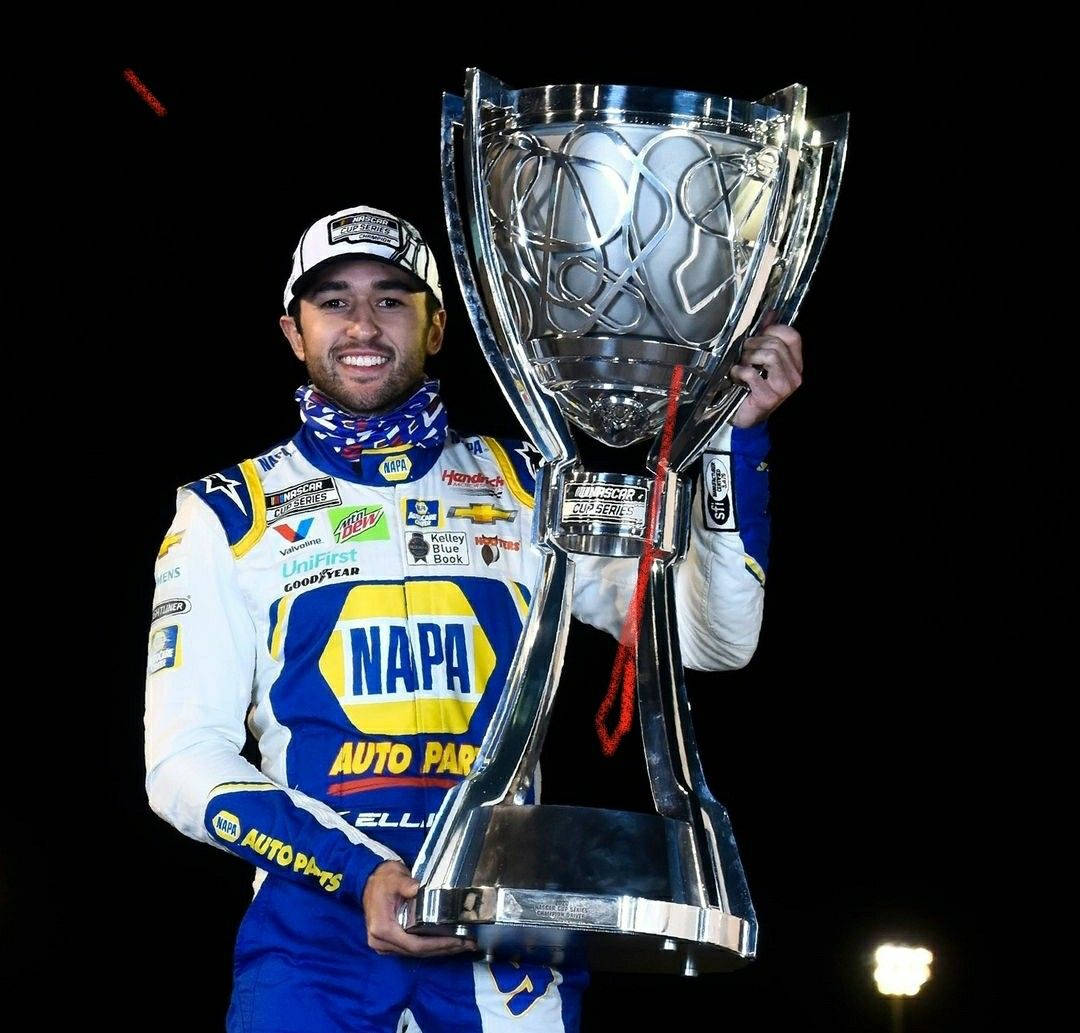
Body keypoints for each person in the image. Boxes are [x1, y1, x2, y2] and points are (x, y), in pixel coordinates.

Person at [144, 204, 803, 1033]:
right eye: (334, 302)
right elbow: (178, 762)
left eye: (391, 300)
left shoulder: (529, 486)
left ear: (438, 325)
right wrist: (357, 872)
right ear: (292, 330)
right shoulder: (224, 512)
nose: (363, 325)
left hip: (506, 951)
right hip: (316, 944)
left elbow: (713, 638)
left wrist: (730, 443)